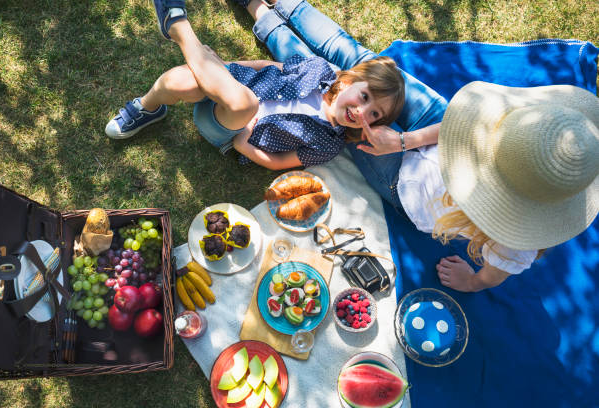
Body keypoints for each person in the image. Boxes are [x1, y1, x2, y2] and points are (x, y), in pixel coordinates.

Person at [234, 0, 599, 292]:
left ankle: (261, 13)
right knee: (363, 68)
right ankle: (288, 4)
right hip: (438, 127)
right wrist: (407, 139)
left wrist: (471, 281)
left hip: (404, 180)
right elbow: (465, 123)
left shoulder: (516, 239)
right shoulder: (530, 136)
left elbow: (491, 276)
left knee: (326, 97)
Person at [104, 0, 405, 171]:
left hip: (229, 126)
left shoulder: (330, 143)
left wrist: (243, 143)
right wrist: (225, 68)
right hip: (231, 84)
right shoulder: (319, 68)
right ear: (351, 79)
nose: (361, 110)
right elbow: (267, 67)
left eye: (374, 114)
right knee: (181, 82)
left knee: (244, 105)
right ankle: (148, 106)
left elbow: (279, 163)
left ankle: (178, 27)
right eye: (364, 96)